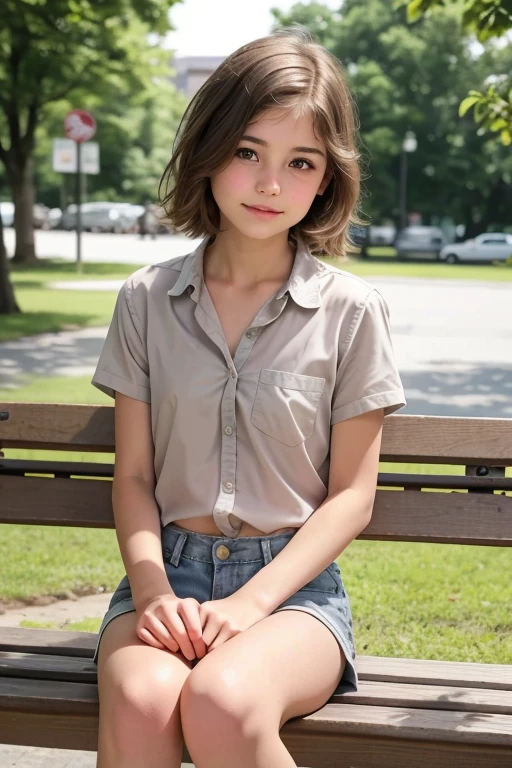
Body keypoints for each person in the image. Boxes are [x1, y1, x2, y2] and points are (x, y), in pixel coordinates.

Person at [91, 26, 406, 768]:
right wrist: (154, 589)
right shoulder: (145, 301)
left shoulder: (352, 312)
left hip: (293, 596)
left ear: (327, 178)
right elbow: (134, 477)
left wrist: (249, 604)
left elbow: (351, 497)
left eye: (300, 162)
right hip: (164, 577)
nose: (271, 184)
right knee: (142, 701)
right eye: (247, 152)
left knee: (223, 701)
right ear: (210, 152)